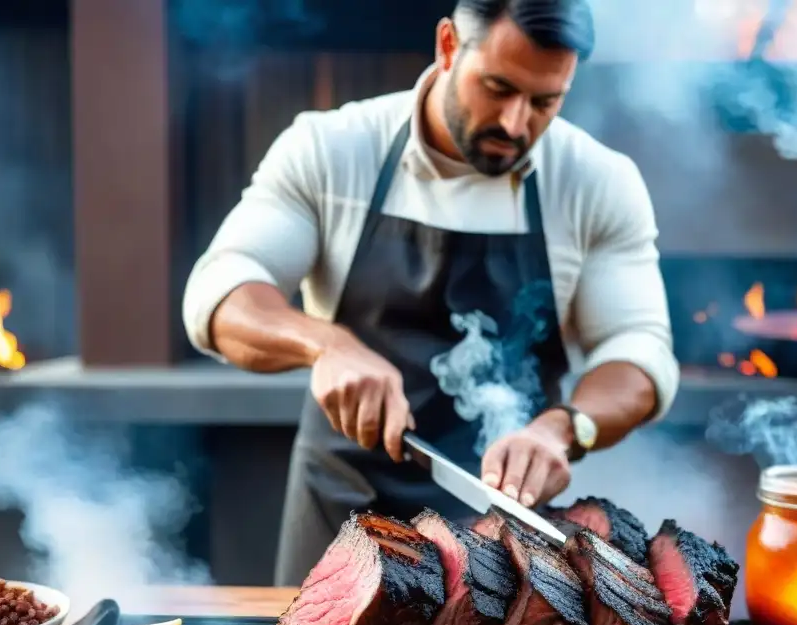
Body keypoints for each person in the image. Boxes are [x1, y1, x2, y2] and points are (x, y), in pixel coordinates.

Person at [182, 0, 680, 586]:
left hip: (502, 533)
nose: (516, 124)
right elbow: (219, 291)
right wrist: (324, 344)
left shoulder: (597, 181)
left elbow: (639, 351)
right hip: (341, 513)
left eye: (545, 102)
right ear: (447, 46)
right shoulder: (332, 148)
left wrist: (564, 427)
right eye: (497, 88)